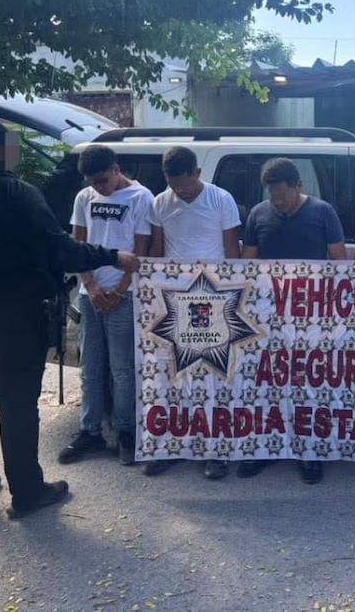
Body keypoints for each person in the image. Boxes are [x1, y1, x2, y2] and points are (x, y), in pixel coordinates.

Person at [0, 115, 140, 519]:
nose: (15, 152)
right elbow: (58, 249)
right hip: (9, 317)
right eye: (12, 144)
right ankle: (28, 491)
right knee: (16, 405)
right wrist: (112, 257)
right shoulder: (14, 192)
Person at [241, 157, 347, 484]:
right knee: (267, 384)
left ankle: (308, 452)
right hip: (268, 315)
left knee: (306, 385)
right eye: (273, 197)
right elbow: (249, 265)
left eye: (283, 197)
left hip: (310, 317)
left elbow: (339, 263)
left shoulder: (323, 212)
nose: (278, 203)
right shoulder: (258, 214)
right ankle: (264, 449)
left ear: (299, 187)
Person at [144, 146, 242, 479]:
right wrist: (151, 292)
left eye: (185, 185)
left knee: (216, 377)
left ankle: (217, 450)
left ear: (197, 174)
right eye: (174, 186)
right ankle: (173, 445)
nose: (180, 192)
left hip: (215, 300)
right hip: (175, 301)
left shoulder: (221, 199)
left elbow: (232, 252)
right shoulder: (159, 203)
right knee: (174, 376)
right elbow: (157, 253)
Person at [57, 146, 153, 467]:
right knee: (91, 366)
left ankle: (126, 431)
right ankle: (90, 430)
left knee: (122, 368)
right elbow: (77, 245)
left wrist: (119, 290)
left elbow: (141, 251)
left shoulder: (141, 198)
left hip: (125, 294)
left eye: (102, 180)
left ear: (116, 169)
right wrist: (92, 285)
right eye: (93, 182)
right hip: (91, 293)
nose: (99, 187)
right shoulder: (85, 198)